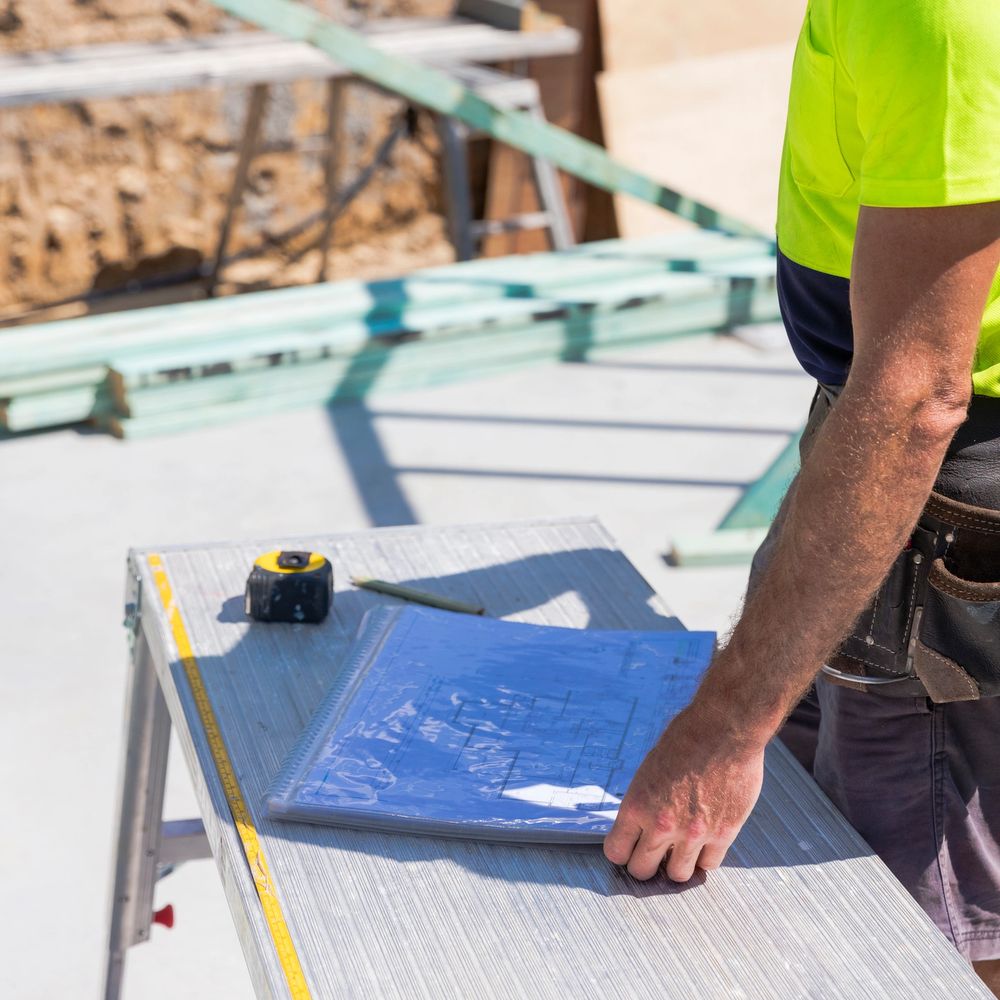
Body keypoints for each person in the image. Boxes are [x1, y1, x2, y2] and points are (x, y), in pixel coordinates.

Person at [603, 0, 1000, 991]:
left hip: (932, 502)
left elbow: (914, 398)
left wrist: (724, 729)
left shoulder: (940, 23)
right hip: (885, 440)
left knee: (917, 932)